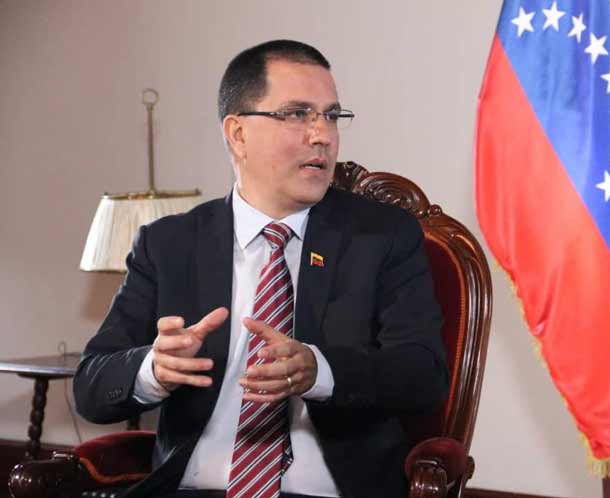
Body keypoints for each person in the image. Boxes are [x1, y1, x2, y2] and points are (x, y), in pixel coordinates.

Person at [74, 39, 448, 498]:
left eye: (332, 116)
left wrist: (319, 370)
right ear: (237, 134)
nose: (322, 135)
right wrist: (154, 368)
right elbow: (91, 387)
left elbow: (423, 375)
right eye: (297, 114)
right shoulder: (169, 243)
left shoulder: (382, 236)